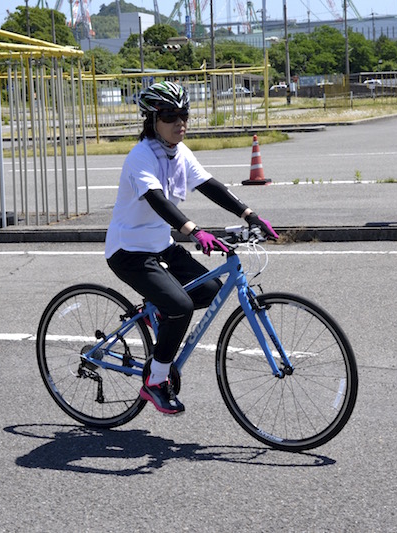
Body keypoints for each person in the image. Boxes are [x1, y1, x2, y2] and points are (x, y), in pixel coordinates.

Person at [105, 81, 278, 415]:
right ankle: (155, 382)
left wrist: (249, 214)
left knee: (212, 290)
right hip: (129, 251)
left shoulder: (179, 152)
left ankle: (158, 310)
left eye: (184, 114)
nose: (179, 122)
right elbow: (155, 199)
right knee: (181, 306)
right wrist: (194, 231)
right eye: (170, 115)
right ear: (152, 119)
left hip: (161, 246)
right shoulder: (141, 156)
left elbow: (209, 185)